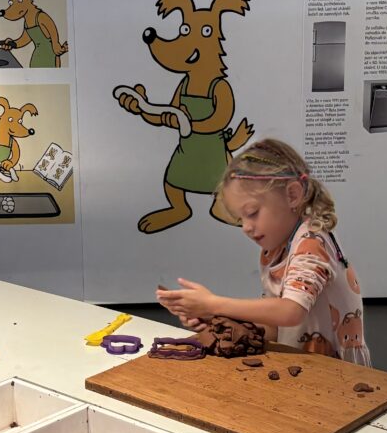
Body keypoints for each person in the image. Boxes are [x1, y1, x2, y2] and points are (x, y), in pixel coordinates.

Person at [156, 138, 370, 366]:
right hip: (306, 366)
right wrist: (216, 320)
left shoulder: (312, 241)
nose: (246, 227)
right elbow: (274, 328)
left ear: (292, 195)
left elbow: (291, 311)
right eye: (240, 219)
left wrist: (212, 303)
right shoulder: (275, 250)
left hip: (337, 373)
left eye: (252, 213)